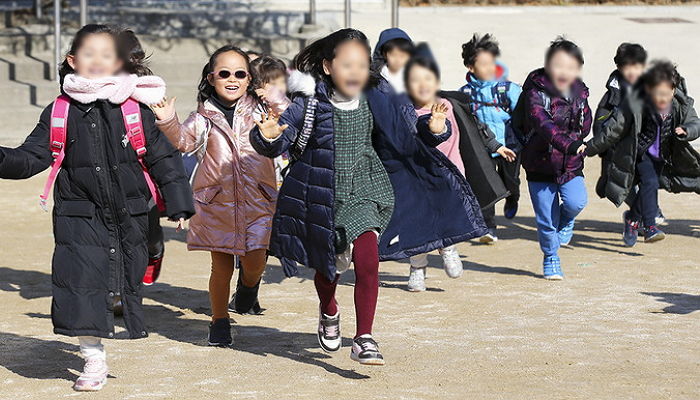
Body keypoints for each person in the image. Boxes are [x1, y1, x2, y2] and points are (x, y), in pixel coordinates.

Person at [250, 29, 487, 365]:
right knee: (328, 268)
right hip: (323, 193)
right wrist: (267, 135)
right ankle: (329, 310)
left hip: (368, 188)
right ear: (328, 67)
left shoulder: (378, 96)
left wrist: (435, 129)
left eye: (361, 64)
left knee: (367, 261)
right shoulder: (308, 103)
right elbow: (278, 140)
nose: (355, 72)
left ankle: (364, 338)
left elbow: (407, 133)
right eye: (347, 64)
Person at [0, 24, 194, 391]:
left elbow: (164, 158)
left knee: (128, 272)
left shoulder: (136, 109)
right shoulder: (59, 110)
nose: (98, 61)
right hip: (78, 213)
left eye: (107, 54)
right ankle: (93, 357)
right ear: (73, 61)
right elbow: (29, 158)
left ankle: (150, 252)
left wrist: (180, 204)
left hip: (132, 210)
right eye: (89, 54)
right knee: (81, 283)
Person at [151, 45, 289, 347]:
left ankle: (249, 288)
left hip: (259, 199)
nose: (232, 79)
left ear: (249, 79)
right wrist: (167, 120)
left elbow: (288, 117)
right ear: (211, 77)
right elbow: (184, 143)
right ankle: (219, 321)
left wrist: (273, 96)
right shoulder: (202, 117)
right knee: (222, 266)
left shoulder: (261, 109)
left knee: (255, 260)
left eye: (240, 74)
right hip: (217, 203)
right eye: (224, 73)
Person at [403, 50, 515, 291]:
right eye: (415, 80)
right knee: (418, 225)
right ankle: (417, 268)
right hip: (419, 179)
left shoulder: (451, 105)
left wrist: (497, 146)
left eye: (428, 79)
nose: (422, 85)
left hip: (453, 175)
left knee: (449, 216)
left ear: (437, 82)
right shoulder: (405, 112)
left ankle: (449, 248)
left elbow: (477, 127)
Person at [584, 60, 700, 246]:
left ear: (674, 90)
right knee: (651, 182)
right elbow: (613, 129)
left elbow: (695, 123)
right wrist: (589, 148)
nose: (662, 99)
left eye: (666, 94)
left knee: (650, 187)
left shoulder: (681, 104)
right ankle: (650, 227)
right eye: (657, 94)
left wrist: (687, 130)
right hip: (639, 153)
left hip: (663, 156)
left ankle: (631, 219)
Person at [513, 37, 591, 280]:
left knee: (576, 202)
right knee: (546, 218)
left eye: (571, 67)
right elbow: (542, 123)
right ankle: (551, 257)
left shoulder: (580, 92)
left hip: (570, 165)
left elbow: (585, 124)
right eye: (559, 65)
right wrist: (570, 144)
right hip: (539, 163)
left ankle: (566, 221)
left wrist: (582, 138)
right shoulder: (535, 93)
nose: (564, 72)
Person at [459, 33, 523, 243]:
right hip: (483, 149)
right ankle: (489, 228)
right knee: (485, 186)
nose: (489, 68)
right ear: (470, 67)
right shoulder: (465, 94)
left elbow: (524, 115)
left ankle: (513, 198)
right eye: (483, 64)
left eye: (491, 63)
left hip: (510, 146)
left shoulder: (508, 90)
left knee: (510, 183)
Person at [372, 28, 414, 93]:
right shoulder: (375, 81)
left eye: (402, 56)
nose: (398, 60)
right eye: (393, 55)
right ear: (384, 54)